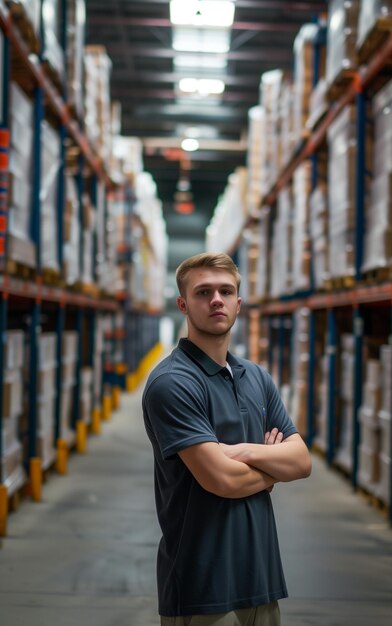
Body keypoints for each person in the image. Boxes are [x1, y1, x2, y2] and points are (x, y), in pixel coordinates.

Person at [142, 252, 312, 626]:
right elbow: (221, 479)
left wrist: (243, 453)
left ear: (239, 303)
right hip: (202, 590)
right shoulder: (173, 383)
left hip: (262, 580)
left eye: (225, 291)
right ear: (183, 305)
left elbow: (301, 462)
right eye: (203, 292)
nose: (216, 299)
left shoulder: (256, 377)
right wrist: (271, 467)